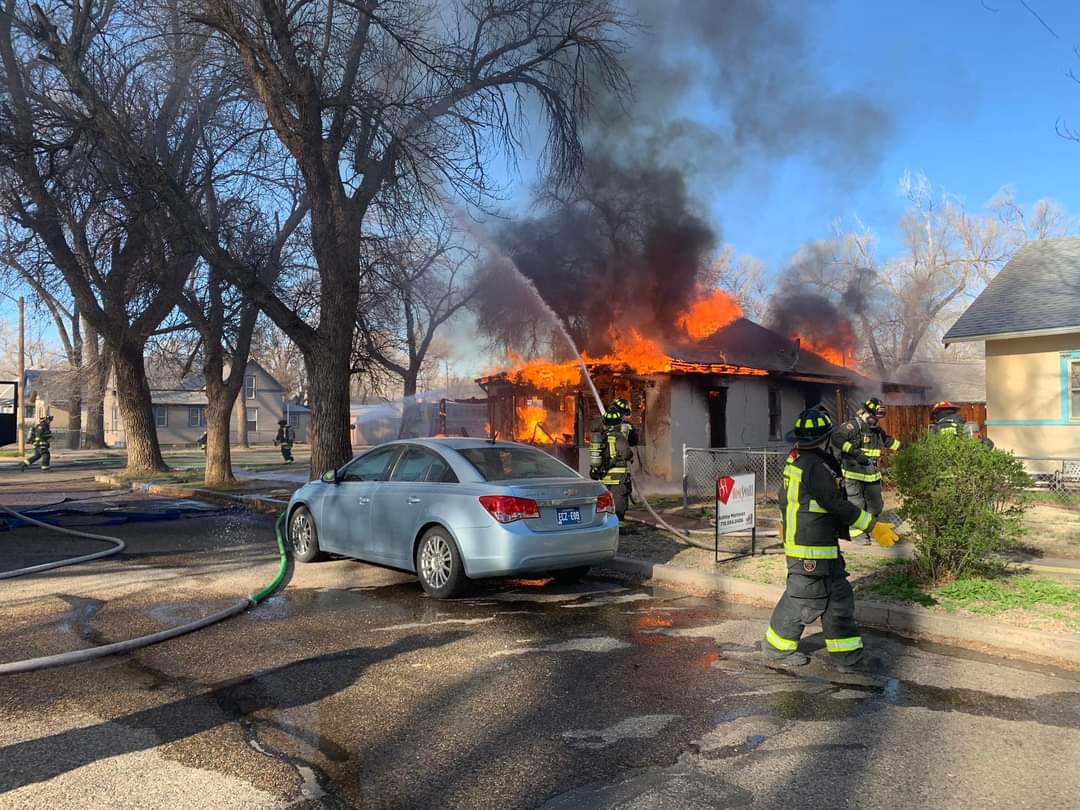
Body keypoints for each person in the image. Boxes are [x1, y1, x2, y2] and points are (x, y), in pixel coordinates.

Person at [765, 407, 895, 671]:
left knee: (838, 596)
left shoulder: (803, 460)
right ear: (825, 438)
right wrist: (872, 526)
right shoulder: (813, 466)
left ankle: (847, 656)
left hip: (821, 545)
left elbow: (789, 500)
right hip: (808, 549)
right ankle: (777, 649)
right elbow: (834, 503)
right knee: (804, 598)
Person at [830, 397, 900, 545]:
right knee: (857, 504)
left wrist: (906, 448)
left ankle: (873, 530)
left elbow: (887, 440)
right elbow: (836, 438)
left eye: (877, 418)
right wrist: (855, 452)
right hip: (853, 474)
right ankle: (858, 535)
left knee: (876, 506)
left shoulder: (875, 429)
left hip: (872, 475)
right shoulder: (853, 426)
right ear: (865, 413)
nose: (875, 421)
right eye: (873, 417)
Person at [588, 397, 638, 520]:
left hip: (604, 475)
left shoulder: (602, 433)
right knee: (619, 504)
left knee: (605, 503)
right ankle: (618, 525)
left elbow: (593, 427)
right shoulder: (621, 434)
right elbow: (628, 449)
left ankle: (605, 522)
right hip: (618, 476)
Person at [929, 400, 994, 449]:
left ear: (936, 415)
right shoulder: (965, 425)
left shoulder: (936, 429)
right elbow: (989, 444)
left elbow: (930, 449)